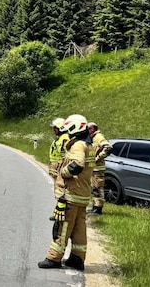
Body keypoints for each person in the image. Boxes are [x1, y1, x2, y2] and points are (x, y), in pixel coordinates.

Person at [38, 114, 95, 271]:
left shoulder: (78, 146)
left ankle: (54, 258)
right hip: (82, 195)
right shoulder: (89, 146)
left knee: (62, 227)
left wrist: (63, 173)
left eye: (69, 130)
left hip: (71, 195)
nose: (68, 134)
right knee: (79, 229)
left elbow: (77, 165)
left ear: (75, 128)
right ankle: (77, 259)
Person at [87, 122, 113, 216]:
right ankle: (94, 207)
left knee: (98, 188)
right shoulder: (91, 138)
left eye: (88, 128)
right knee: (93, 188)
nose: (87, 130)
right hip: (93, 168)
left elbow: (108, 148)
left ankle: (98, 209)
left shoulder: (98, 136)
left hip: (98, 169)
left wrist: (98, 158)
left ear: (93, 129)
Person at [48, 117, 69, 185]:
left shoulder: (65, 138)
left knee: (60, 187)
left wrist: (62, 167)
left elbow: (65, 154)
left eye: (55, 128)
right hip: (56, 167)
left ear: (61, 128)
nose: (53, 130)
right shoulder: (60, 138)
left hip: (60, 167)